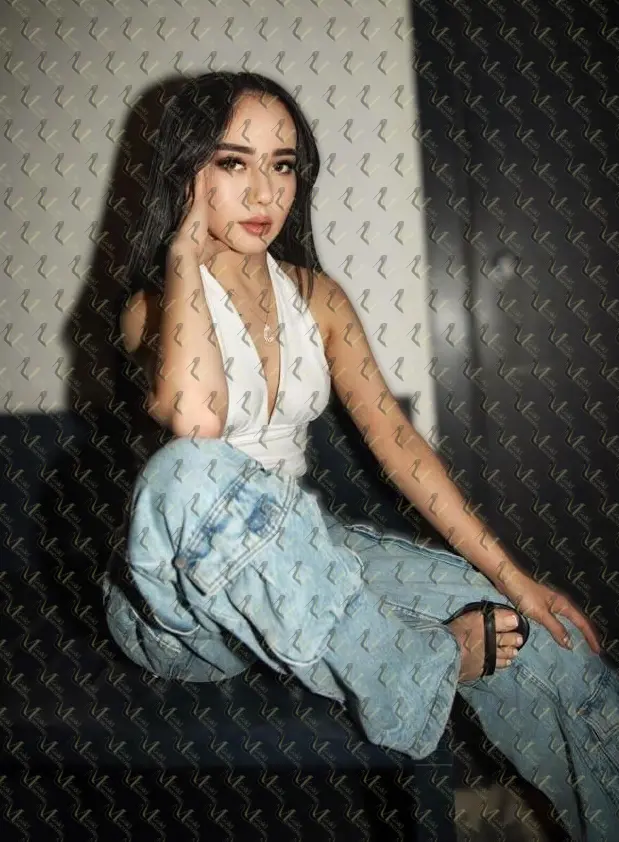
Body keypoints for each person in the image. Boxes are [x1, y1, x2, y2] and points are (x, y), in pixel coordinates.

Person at [104, 70, 618, 840]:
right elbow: (197, 422)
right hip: (184, 599)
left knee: (545, 642)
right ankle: (418, 675)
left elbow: (399, 445)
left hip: (300, 560)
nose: (264, 192)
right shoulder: (148, 308)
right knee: (186, 474)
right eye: (233, 162)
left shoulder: (317, 298)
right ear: (187, 173)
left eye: (282, 165)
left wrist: (514, 578)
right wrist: (182, 251)